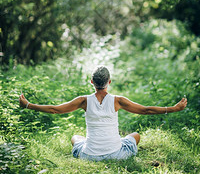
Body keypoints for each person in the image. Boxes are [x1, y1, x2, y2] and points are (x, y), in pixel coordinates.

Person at [19, 66, 187, 161]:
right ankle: (116, 143)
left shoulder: (83, 100)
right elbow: (146, 110)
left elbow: (54, 109)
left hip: (88, 156)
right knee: (135, 135)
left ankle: (97, 144)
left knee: (75, 138)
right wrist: (174, 108)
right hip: (117, 155)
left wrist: (28, 105)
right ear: (109, 82)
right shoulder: (118, 100)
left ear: (92, 82)